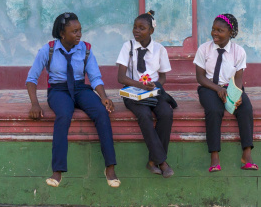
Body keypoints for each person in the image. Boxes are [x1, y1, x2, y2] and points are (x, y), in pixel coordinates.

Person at [26, 12, 120, 188]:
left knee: (101, 112)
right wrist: (35, 104)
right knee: (64, 114)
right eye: (74, 31)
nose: (79, 34)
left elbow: (94, 76)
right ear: (63, 33)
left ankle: (110, 167)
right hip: (58, 90)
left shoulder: (85, 49)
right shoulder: (48, 49)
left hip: (80, 88)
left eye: (80, 30)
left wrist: (104, 97)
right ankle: (58, 170)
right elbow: (32, 78)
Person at [194, 13, 257, 172]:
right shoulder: (204, 49)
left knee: (246, 109)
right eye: (213, 29)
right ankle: (214, 155)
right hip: (209, 87)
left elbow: (239, 79)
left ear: (231, 32)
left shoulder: (239, 51)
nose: (215, 33)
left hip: (231, 86)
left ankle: (247, 154)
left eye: (220, 30)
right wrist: (218, 89)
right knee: (214, 110)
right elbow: (200, 78)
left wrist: (236, 94)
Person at [116, 10, 175, 178]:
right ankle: (162, 162)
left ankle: (152, 162)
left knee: (166, 112)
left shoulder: (159, 49)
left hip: (153, 92)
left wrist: (154, 86)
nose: (136, 31)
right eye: (135, 27)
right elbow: (121, 77)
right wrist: (140, 85)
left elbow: (163, 77)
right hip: (133, 94)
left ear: (151, 31)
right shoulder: (127, 46)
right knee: (144, 115)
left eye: (142, 28)